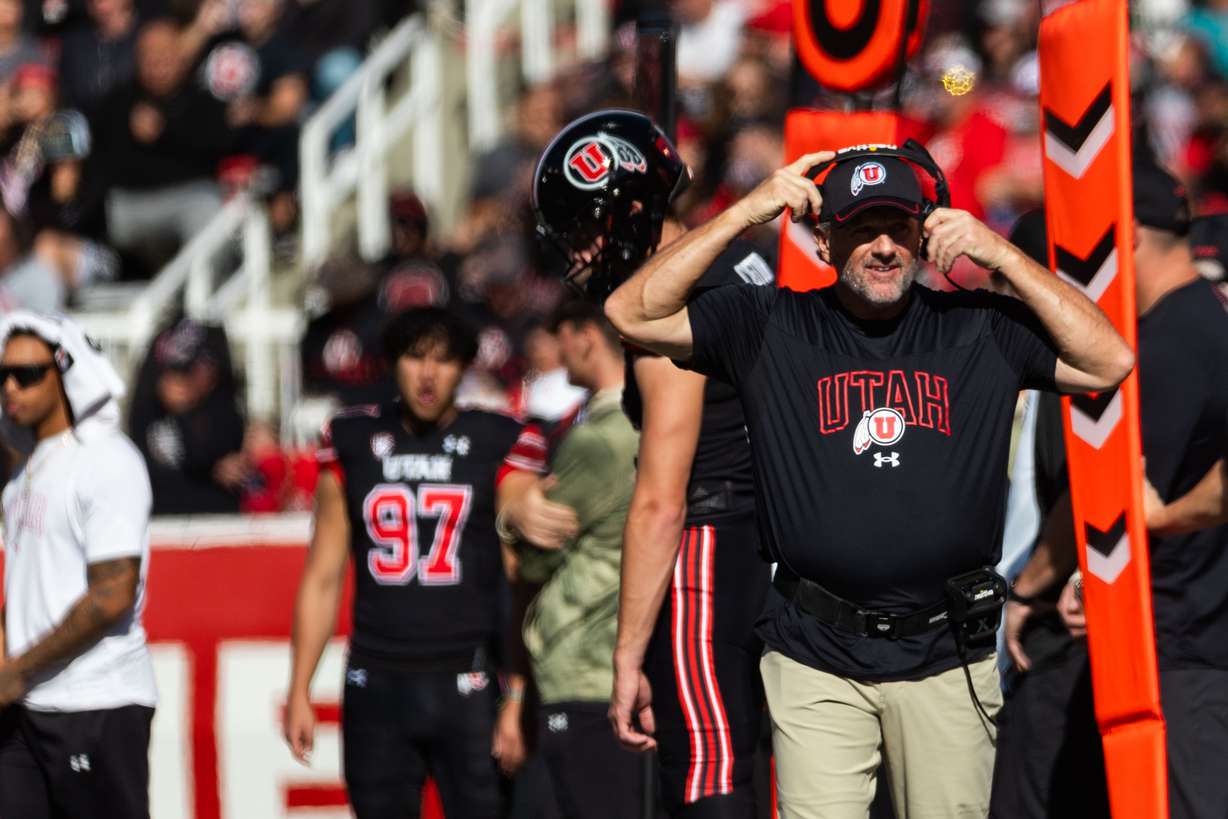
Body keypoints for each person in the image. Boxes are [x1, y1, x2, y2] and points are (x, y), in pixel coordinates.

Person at [604, 145, 1134, 817]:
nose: (883, 247)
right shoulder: (769, 321)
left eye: (899, 227)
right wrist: (746, 212)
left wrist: (1000, 253)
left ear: (926, 232)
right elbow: (631, 312)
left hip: (948, 655)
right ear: (823, 240)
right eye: (861, 227)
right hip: (814, 656)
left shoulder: (979, 326)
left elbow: (1109, 359)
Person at [533, 108, 775, 818]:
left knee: (708, 768)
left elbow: (661, 498)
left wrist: (626, 653)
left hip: (713, 541)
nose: (576, 251)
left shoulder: (667, 302)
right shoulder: (743, 259)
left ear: (628, 212)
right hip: (783, 540)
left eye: (584, 227)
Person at [1024, 159, 1228, 819]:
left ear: (1129, 232)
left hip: (1176, 645)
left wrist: (1028, 589)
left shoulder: (1166, 343)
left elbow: (1108, 490)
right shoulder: (1210, 319)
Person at [284, 306, 541, 818]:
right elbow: (323, 576)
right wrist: (299, 689)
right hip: (376, 681)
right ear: (392, 363)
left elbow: (522, 575)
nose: (428, 373)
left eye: (444, 360)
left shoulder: (498, 439)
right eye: (415, 357)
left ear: (465, 368)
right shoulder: (353, 440)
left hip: (469, 679)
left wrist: (517, 694)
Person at [0, 311, 156, 818]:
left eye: (26, 375)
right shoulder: (24, 470)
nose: (10, 387)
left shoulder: (107, 460)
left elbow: (111, 595)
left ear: (65, 370)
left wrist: (16, 672)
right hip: (26, 707)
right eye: (2, 375)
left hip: (96, 704)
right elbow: (26, 588)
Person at [498, 301, 643, 819]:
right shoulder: (654, 421)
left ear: (585, 337)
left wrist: (513, 522)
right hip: (621, 661)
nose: (557, 352)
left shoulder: (598, 437)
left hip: (585, 659)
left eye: (560, 337)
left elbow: (533, 560)